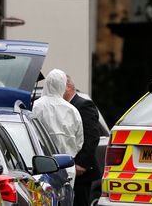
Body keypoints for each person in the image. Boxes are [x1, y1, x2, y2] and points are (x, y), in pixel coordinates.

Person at [32, 69, 84, 177]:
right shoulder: (72, 110)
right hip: (67, 167)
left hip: (41, 166)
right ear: (63, 85)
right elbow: (79, 142)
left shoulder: (35, 106)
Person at [64, 75, 101, 206]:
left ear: (68, 87)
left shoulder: (83, 105)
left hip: (81, 172)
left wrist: (81, 164)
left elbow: (92, 137)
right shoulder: (64, 107)